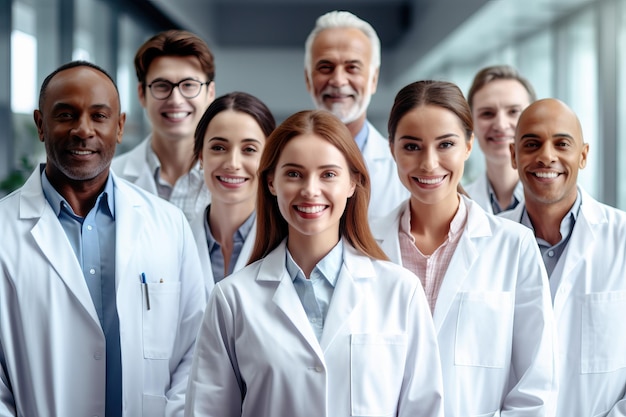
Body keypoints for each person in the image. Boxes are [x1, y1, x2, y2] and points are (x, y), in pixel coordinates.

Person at [185, 110, 444, 417]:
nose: (310, 190)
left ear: (352, 183)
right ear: (271, 182)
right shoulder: (232, 299)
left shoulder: (400, 291)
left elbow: (423, 409)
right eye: (294, 174)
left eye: (328, 174)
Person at [0, 61, 205, 416]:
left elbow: (196, 347)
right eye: (65, 115)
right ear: (40, 125)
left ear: (120, 126)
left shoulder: (168, 224)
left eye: (99, 116)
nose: (83, 130)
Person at [370, 80, 556, 416]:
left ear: (469, 146)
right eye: (412, 146)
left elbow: (536, 386)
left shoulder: (513, 245)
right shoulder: (364, 246)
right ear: (392, 148)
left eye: (446, 144)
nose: (429, 163)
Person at [501, 98, 626, 416]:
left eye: (562, 143)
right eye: (532, 144)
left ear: (583, 155)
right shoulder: (490, 245)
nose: (546, 156)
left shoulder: (621, 238)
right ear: (513, 156)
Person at [304, 10, 408, 217]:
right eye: (326, 67)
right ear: (308, 78)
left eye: (352, 68)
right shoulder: (278, 162)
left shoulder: (401, 170)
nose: (338, 80)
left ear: (373, 79)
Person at [112, 29, 215, 222]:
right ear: (141, 94)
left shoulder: (233, 177)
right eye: (162, 86)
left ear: (210, 93)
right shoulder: (112, 177)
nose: (176, 100)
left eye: (189, 85)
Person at [190, 92, 275, 296]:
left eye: (249, 149)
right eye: (219, 148)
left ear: (269, 159)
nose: (233, 164)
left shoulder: (288, 247)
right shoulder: (174, 243)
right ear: (201, 157)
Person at [464, 65, 536, 214]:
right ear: (472, 123)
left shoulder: (558, 202)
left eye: (513, 111)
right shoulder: (459, 205)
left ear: (534, 119)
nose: (501, 125)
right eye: (487, 113)